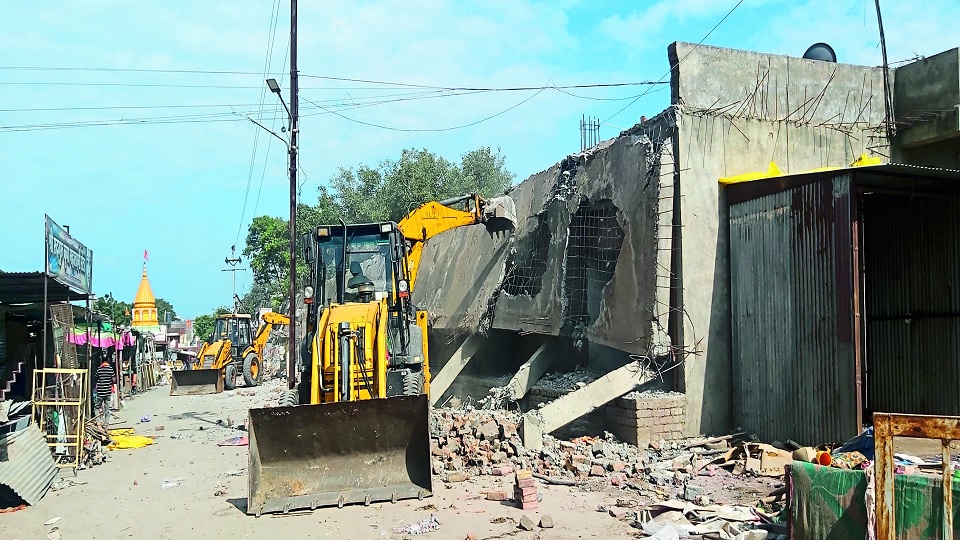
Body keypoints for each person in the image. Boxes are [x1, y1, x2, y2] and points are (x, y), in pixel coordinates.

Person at [94, 356, 114, 426]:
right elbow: (113, 380)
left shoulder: (99, 369)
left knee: (96, 408)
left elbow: (96, 378)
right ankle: (106, 424)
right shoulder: (110, 369)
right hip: (108, 392)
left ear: (102, 361)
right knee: (107, 410)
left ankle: (98, 421)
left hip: (100, 392)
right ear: (108, 360)